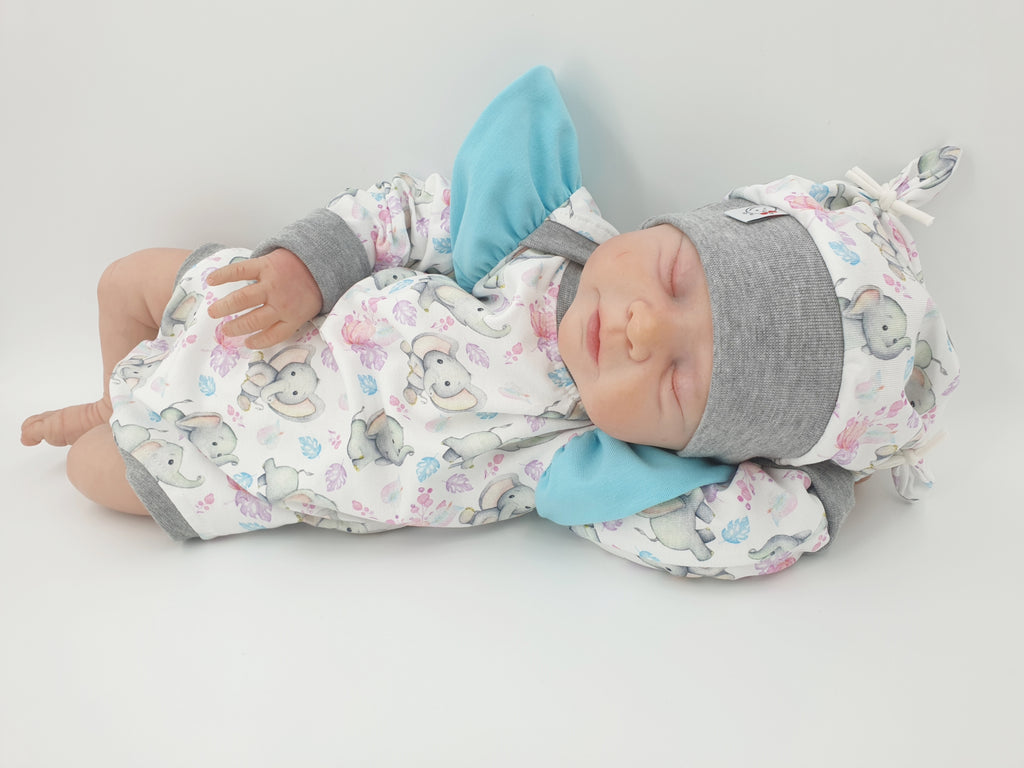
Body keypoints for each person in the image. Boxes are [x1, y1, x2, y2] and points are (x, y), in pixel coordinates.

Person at [20, 67, 961, 579]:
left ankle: (121, 420)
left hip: (250, 470)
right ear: (687, 221)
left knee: (88, 475)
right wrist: (310, 265)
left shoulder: (591, 466)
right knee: (124, 283)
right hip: (271, 321)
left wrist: (839, 466)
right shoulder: (546, 244)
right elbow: (404, 212)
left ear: (694, 450)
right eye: (677, 279)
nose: (643, 332)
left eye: (679, 382)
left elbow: (746, 533)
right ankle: (127, 389)